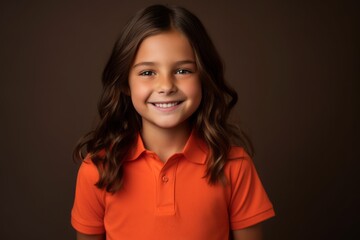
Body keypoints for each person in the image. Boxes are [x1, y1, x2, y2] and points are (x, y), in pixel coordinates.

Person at [71, 4, 275, 240]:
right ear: (125, 83)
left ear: (203, 77)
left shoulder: (234, 166)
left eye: (182, 71)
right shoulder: (97, 170)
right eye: (148, 73)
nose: (166, 86)